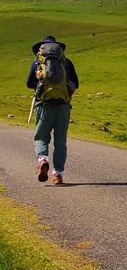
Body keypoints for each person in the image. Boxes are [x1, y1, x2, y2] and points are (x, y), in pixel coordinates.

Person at [26, 36, 79, 185]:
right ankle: (58, 174)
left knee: (41, 137)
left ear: (41, 48)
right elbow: (76, 83)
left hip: (44, 105)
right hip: (63, 106)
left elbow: (29, 83)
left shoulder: (37, 62)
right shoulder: (66, 62)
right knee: (60, 141)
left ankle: (43, 159)